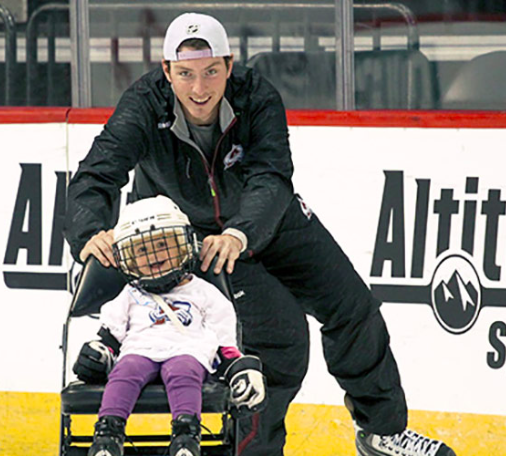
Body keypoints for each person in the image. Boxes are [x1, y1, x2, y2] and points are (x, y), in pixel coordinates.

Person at [64, 11, 456, 456]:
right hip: (194, 242)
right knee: (278, 342)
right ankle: (253, 451)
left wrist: (239, 233)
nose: (200, 88)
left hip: (268, 219)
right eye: (187, 74)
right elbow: (95, 174)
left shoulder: (257, 97)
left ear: (230, 66)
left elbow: (271, 176)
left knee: (352, 306)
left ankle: (382, 432)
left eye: (212, 72)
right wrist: (89, 230)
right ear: (166, 71)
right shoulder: (142, 105)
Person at [72, 196, 266, 456]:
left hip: (188, 352)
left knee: (183, 370)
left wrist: (241, 369)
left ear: (183, 244)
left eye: (163, 244)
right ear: (127, 257)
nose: (154, 255)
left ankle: (186, 438)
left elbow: (225, 345)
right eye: (141, 250)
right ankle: (108, 436)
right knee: (126, 369)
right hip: (139, 351)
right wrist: (100, 353)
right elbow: (110, 336)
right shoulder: (129, 293)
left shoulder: (204, 292)